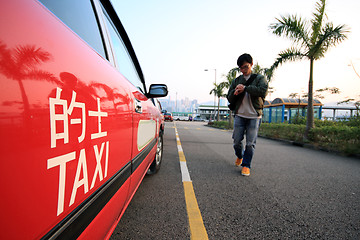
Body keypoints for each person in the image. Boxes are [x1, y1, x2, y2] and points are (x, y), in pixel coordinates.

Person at [227, 53, 268, 176]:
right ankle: (240, 156)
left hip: (254, 116)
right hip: (240, 115)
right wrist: (236, 92)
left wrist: (245, 88)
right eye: (240, 68)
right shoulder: (236, 80)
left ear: (251, 64)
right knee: (236, 141)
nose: (243, 70)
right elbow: (229, 97)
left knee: (250, 143)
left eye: (245, 67)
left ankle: (246, 165)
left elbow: (262, 91)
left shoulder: (260, 78)